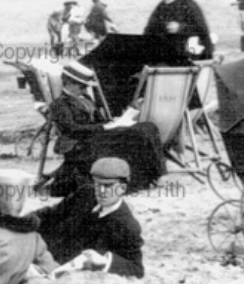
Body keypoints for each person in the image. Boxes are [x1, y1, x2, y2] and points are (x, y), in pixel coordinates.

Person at [44, 61, 166, 198]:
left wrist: (113, 121)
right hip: (81, 141)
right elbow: (71, 129)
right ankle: (154, 176)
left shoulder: (86, 98)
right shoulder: (59, 104)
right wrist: (102, 127)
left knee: (148, 127)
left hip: (99, 135)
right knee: (137, 133)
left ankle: (158, 174)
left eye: (85, 86)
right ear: (69, 83)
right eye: (82, 86)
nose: (84, 89)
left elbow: (99, 120)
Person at [34, 157, 145, 279]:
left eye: (108, 186)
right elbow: (51, 214)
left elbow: (137, 268)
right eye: (98, 185)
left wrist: (104, 260)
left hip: (61, 273)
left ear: (122, 188)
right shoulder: (86, 193)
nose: (101, 191)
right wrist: (24, 221)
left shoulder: (127, 225)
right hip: (41, 251)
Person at [143, 0, 214, 64]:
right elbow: (149, 29)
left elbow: (202, 30)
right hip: (165, 52)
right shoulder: (160, 7)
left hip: (188, 54)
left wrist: (181, 28)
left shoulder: (188, 4)